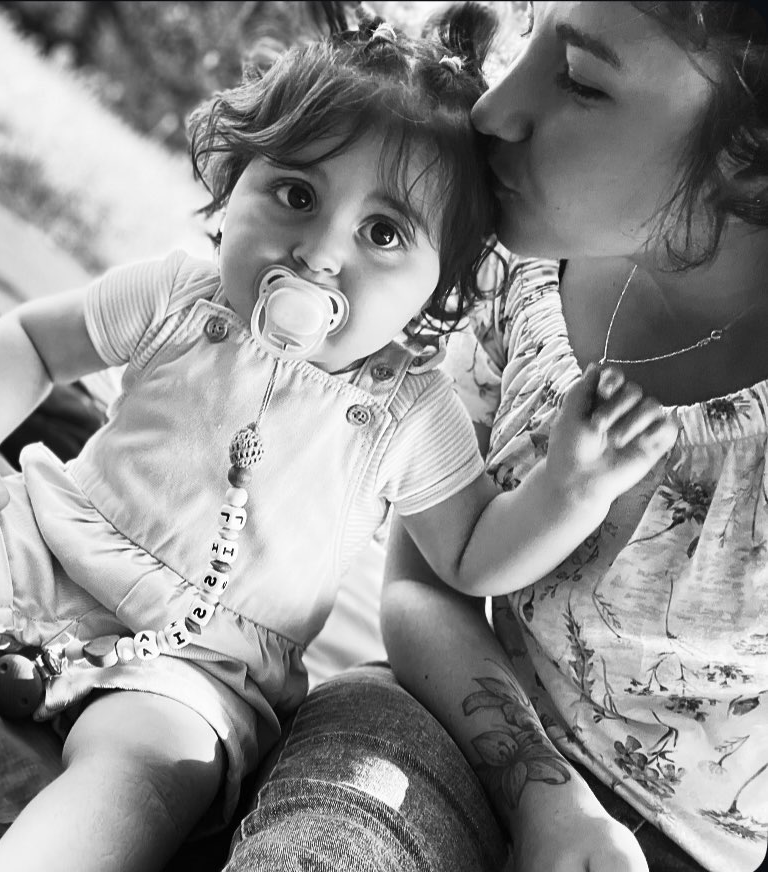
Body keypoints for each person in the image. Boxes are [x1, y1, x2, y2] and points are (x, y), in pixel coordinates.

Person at [0, 7, 672, 872]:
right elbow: (29, 340)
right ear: (232, 186)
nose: (321, 251)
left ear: (441, 288)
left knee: (151, 767)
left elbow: (471, 556)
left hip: (202, 663)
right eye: (296, 193)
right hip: (47, 547)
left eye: (384, 233)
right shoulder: (181, 297)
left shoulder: (409, 411)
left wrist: (569, 488)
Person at [222, 3, 768, 872]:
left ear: (751, 152)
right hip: (443, 726)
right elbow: (425, 587)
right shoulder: (519, 277)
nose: (491, 110)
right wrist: (546, 797)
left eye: (579, 81)